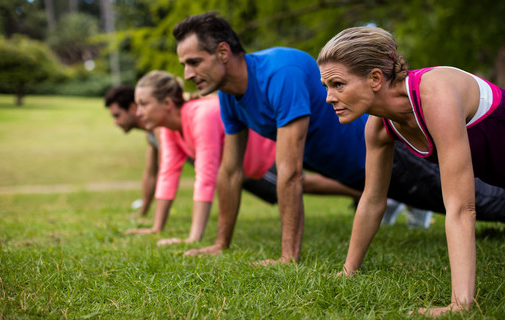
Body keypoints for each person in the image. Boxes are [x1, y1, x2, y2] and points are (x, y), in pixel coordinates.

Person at [173, 12, 505, 265]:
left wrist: (287, 257)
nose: (187, 74)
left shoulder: (277, 73)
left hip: (391, 150)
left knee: (486, 200)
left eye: (193, 62)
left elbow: (290, 172)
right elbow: (230, 171)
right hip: (353, 169)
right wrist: (221, 243)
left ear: (222, 52)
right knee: (463, 200)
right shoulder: (228, 96)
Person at [316, 26, 505, 316]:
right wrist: (348, 271)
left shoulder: (435, 95)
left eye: (338, 84)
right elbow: (371, 200)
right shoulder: (379, 127)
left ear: (375, 78)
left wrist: (459, 304)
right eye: (326, 87)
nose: (330, 97)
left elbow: (461, 207)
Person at [127, 70, 365, 244]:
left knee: (304, 181)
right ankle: (366, 195)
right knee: (304, 182)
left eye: (143, 104)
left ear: (167, 103)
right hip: (250, 167)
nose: (138, 112)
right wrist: (157, 227)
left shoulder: (201, 115)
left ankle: (366, 196)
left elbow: (206, 176)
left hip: (266, 154)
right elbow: (168, 174)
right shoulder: (168, 128)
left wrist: (193, 238)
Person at [104, 85, 160, 217]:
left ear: (132, 108)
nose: (115, 122)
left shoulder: (159, 129)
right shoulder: (150, 135)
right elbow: (150, 174)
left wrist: (157, 225)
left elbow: (167, 172)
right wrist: (143, 212)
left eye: (117, 115)